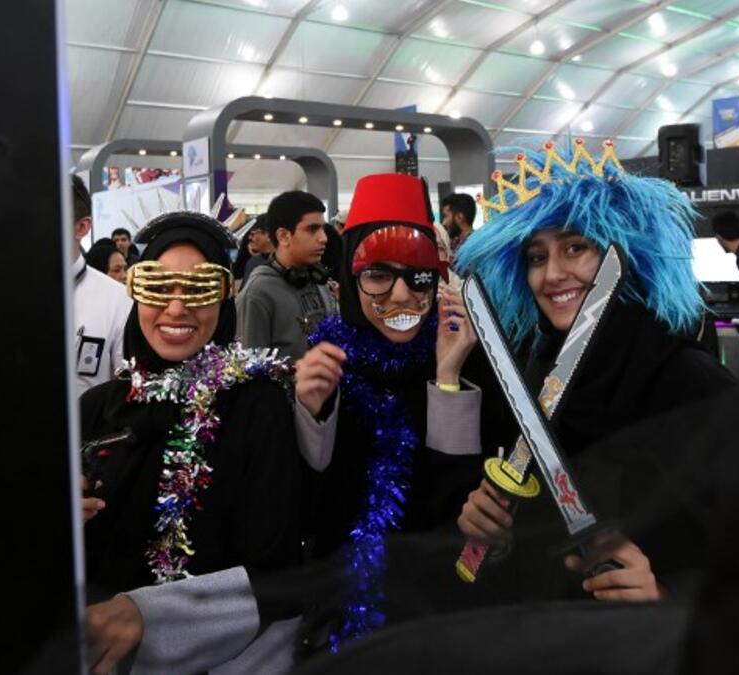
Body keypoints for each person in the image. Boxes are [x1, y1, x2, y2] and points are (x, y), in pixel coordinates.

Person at [453, 138, 735, 604]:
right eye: (537, 257)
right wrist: (497, 533)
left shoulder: (690, 381)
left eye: (576, 247)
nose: (552, 275)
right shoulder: (538, 372)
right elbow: (538, 547)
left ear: (624, 254)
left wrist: (668, 595)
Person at [291, 173, 511, 651]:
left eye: (418, 277)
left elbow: (457, 512)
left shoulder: (471, 358)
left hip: (437, 621)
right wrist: (310, 411)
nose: (400, 297)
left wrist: (449, 377)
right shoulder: (325, 363)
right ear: (350, 277)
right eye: (377, 275)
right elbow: (303, 508)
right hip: (336, 623)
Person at [79, 211, 304, 675]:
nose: (177, 309)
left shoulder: (256, 406)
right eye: (159, 287)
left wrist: (146, 616)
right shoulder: (97, 407)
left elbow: (276, 574)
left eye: (199, 288)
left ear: (225, 296)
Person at [236, 191, 335, 360]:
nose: (323, 238)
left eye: (323, 229)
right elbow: (250, 366)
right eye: (312, 229)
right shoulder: (258, 293)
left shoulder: (319, 280)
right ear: (283, 236)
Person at [72, 175, 133, 395]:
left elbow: (128, 387)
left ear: (81, 227)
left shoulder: (117, 300)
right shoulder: (4, 295)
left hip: (90, 427)